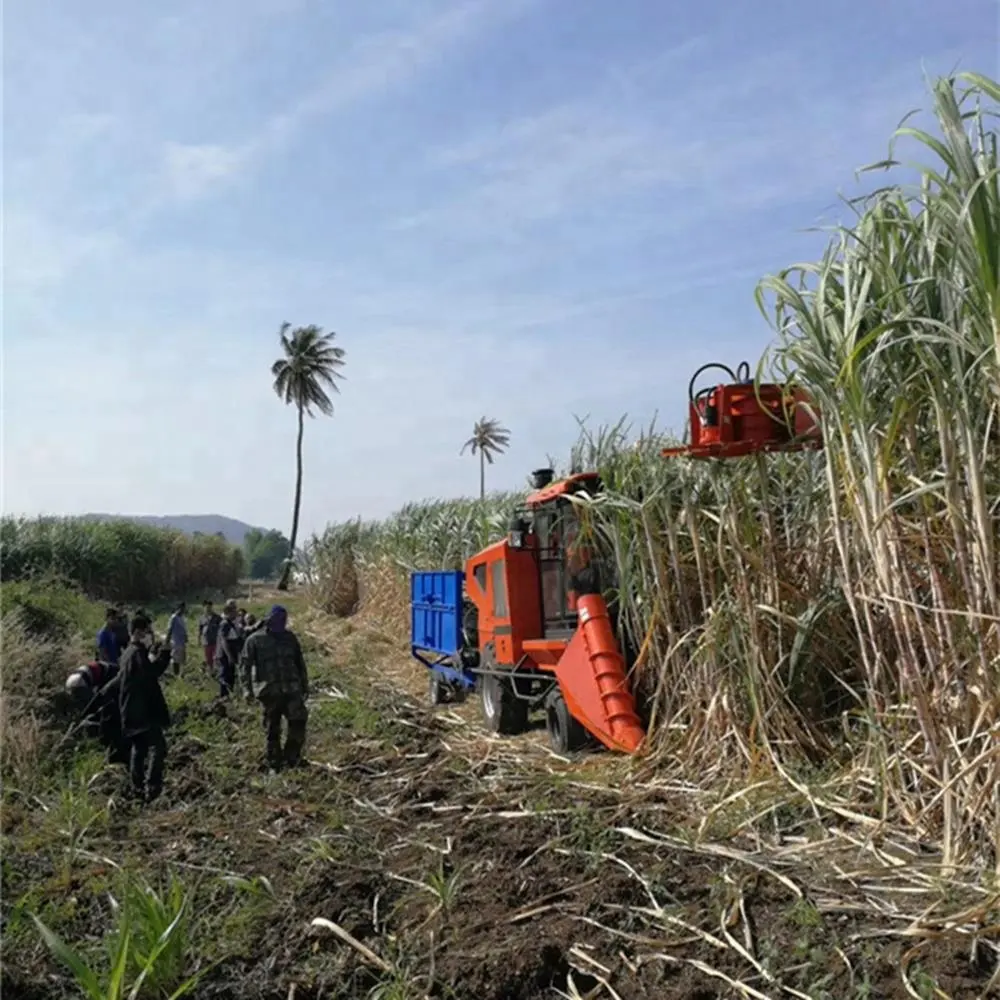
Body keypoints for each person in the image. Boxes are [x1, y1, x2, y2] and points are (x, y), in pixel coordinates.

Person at [241, 604, 309, 770]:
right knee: (272, 729)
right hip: (269, 693)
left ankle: (292, 757)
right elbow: (245, 667)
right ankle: (274, 763)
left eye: (283, 620)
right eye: (278, 620)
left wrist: (305, 685)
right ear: (269, 620)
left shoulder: (290, 638)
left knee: (298, 722)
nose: (281, 623)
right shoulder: (254, 640)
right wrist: (247, 690)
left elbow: (299, 662)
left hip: (292, 690)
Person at [118, 613, 172, 802]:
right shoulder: (137, 654)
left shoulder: (128, 653)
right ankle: (153, 787)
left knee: (139, 749)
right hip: (142, 712)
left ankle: (137, 789)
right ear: (139, 632)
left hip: (131, 711)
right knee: (159, 747)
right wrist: (164, 655)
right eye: (149, 631)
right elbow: (152, 674)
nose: (151, 635)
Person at [214, 599, 244, 699]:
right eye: (234, 611)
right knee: (225, 675)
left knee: (231, 675)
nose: (236, 613)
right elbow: (224, 641)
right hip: (224, 655)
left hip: (231, 654)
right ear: (229, 612)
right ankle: (224, 696)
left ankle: (229, 695)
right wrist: (230, 656)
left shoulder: (232, 623)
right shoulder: (225, 624)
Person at [165, 602, 188, 676]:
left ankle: (181, 674)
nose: (183, 610)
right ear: (178, 608)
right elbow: (170, 630)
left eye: (183, 609)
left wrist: (186, 637)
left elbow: (184, 629)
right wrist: (167, 641)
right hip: (175, 641)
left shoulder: (182, 618)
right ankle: (175, 674)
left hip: (182, 642)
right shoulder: (174, 618)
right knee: (175, 659)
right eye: (181, 608)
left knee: (182, 659)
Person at [198, 601, 221, 672]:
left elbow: (221, 628)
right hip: (206, 641)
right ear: (204, 608)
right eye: (206, 607)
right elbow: (200, 630)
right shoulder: (202, 618)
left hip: (215, 641)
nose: (208, 609)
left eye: (209, 607)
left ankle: (217, 671)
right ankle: (210, 671)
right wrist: (198, 640)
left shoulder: (217, 617)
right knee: (208, 658)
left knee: (216, 657)